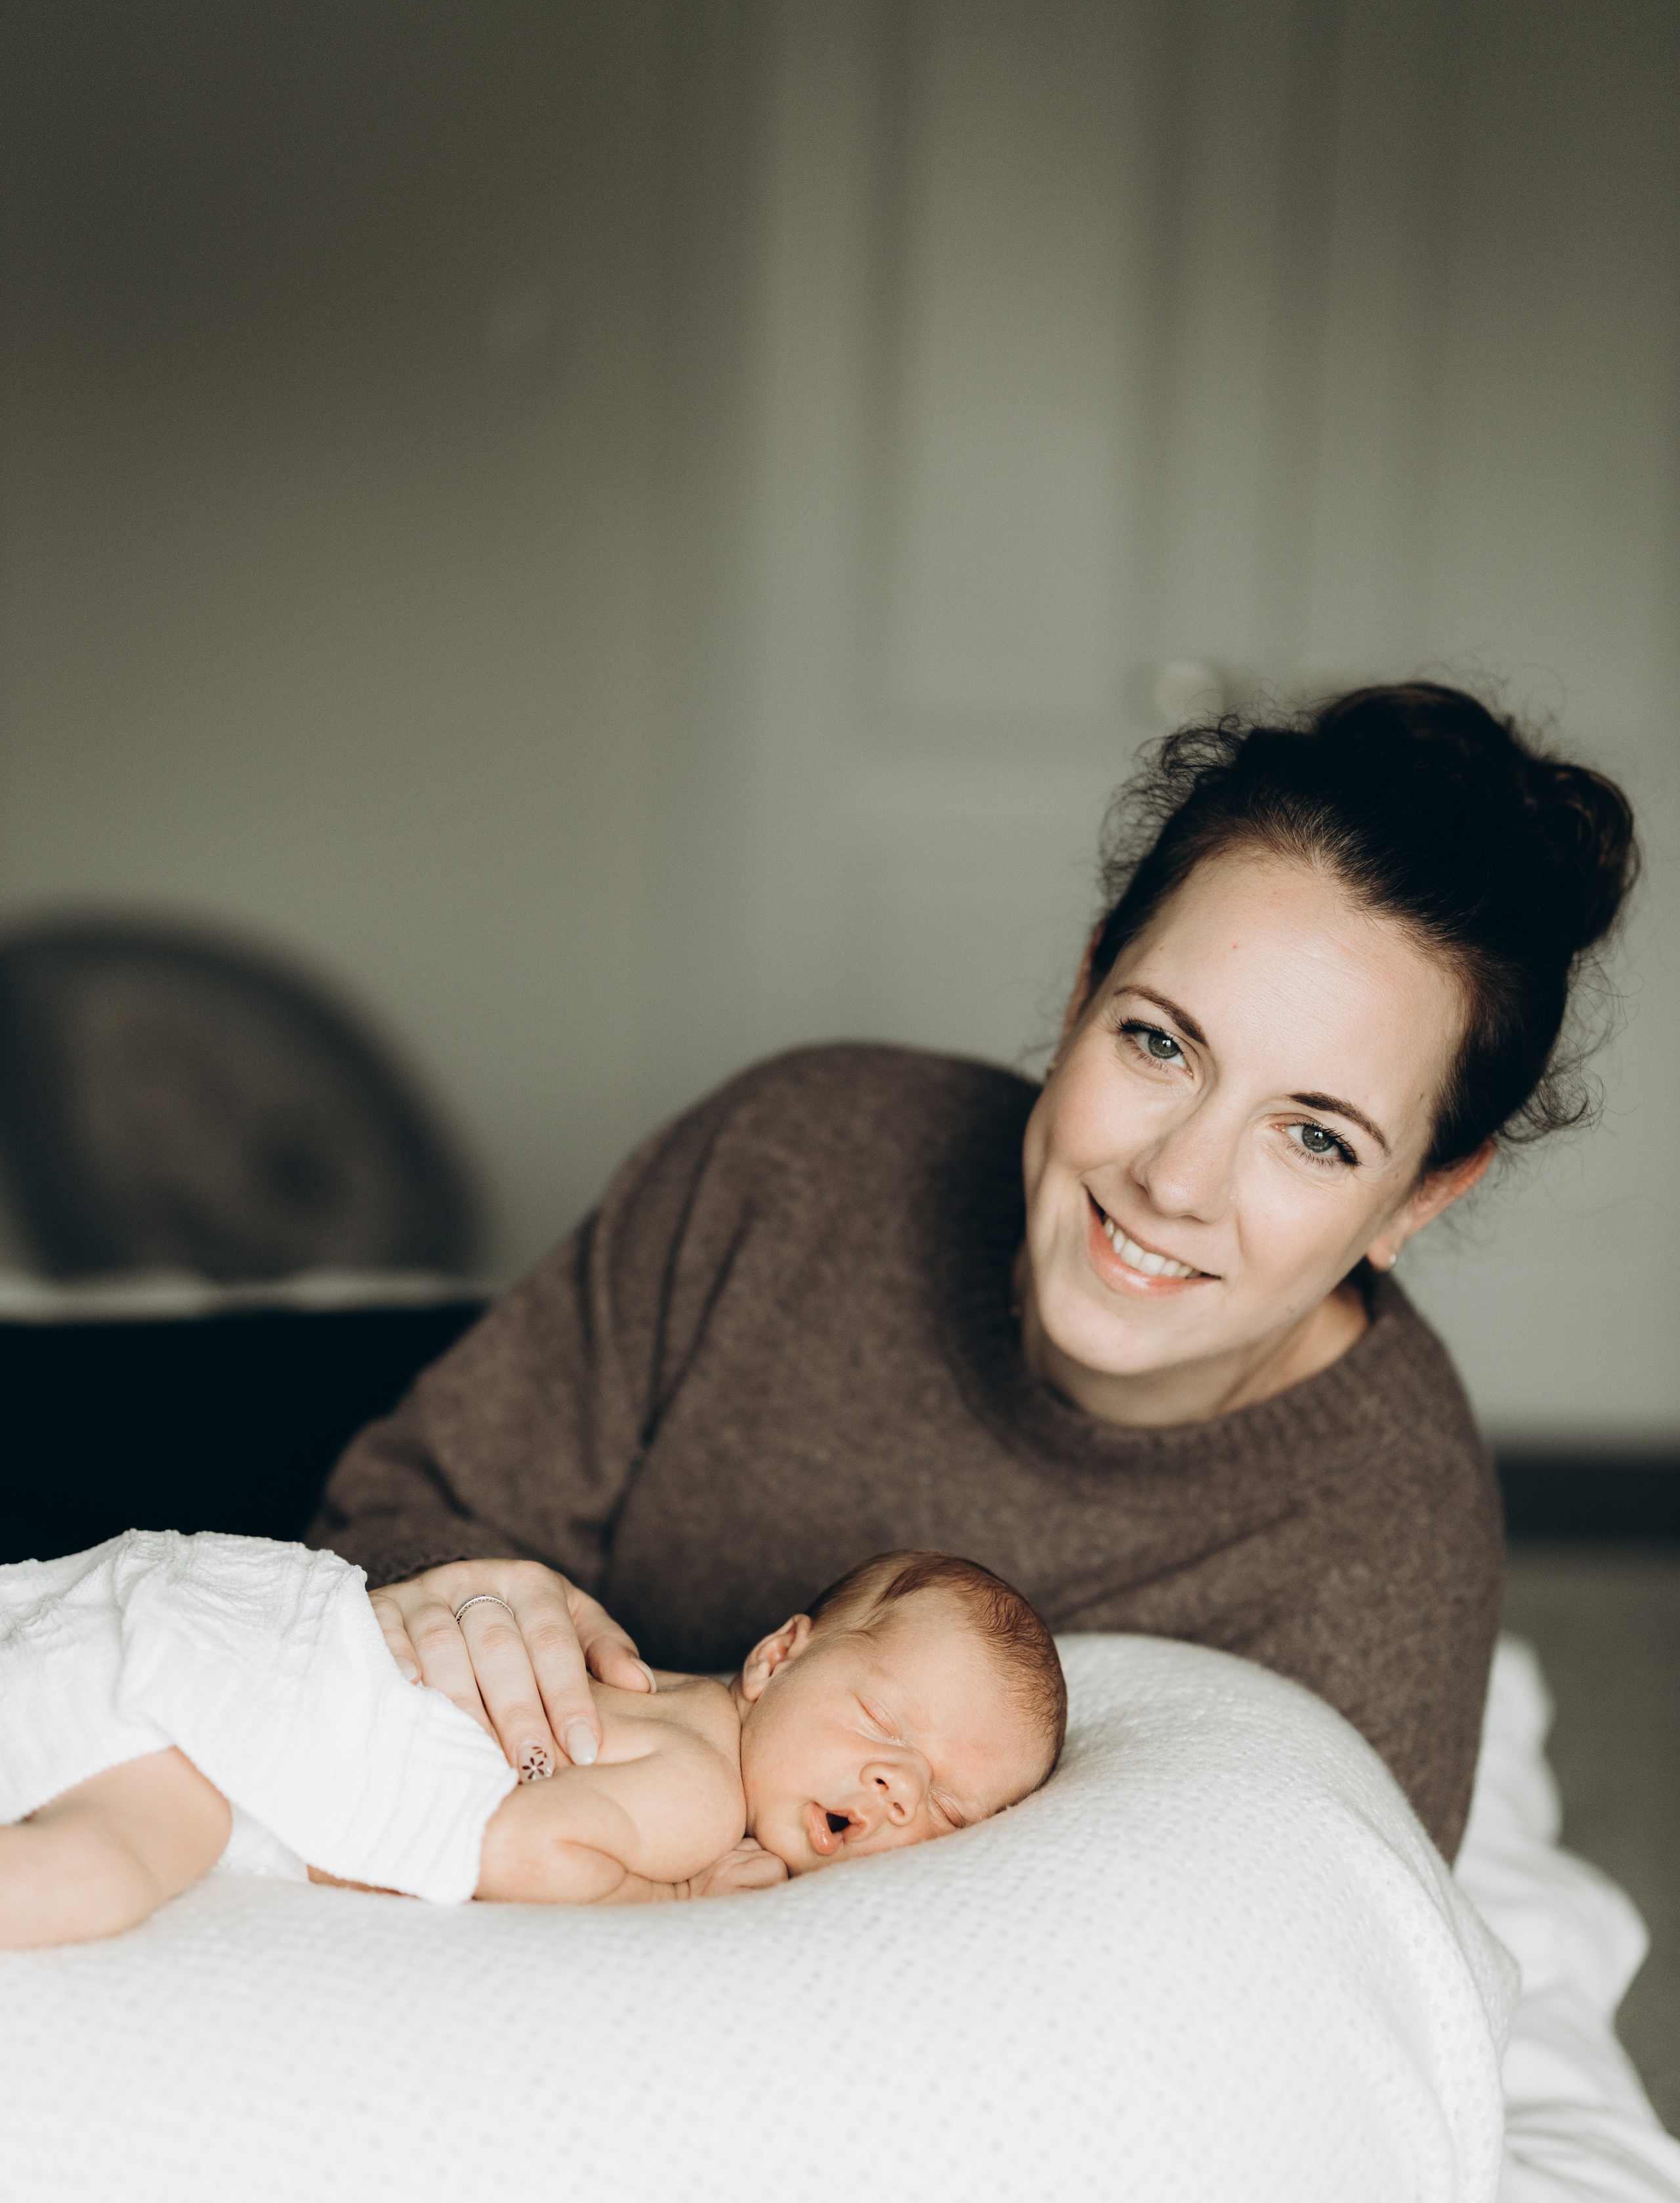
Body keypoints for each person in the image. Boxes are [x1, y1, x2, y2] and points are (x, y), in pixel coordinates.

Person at [311, 682, 1639, 1860]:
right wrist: (456, 1592)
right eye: (1160, 1044)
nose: (1176, 1183)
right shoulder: (787, 1160)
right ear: (1082, 992)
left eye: (1314, 1137)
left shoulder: (1379, 1552)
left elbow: (1285, 1985)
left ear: (1422, 1194)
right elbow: (390, 1515)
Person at [0, 1544, 1064, 1945]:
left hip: (222, 1602)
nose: (895, 1784)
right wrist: (678, 1897)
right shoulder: (698, 1794)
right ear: (778, 1658)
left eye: (947, 1807)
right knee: (97, 1873)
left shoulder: (655, 1698)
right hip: (235, 1714)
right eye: (882, 1722)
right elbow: (524, 1848)